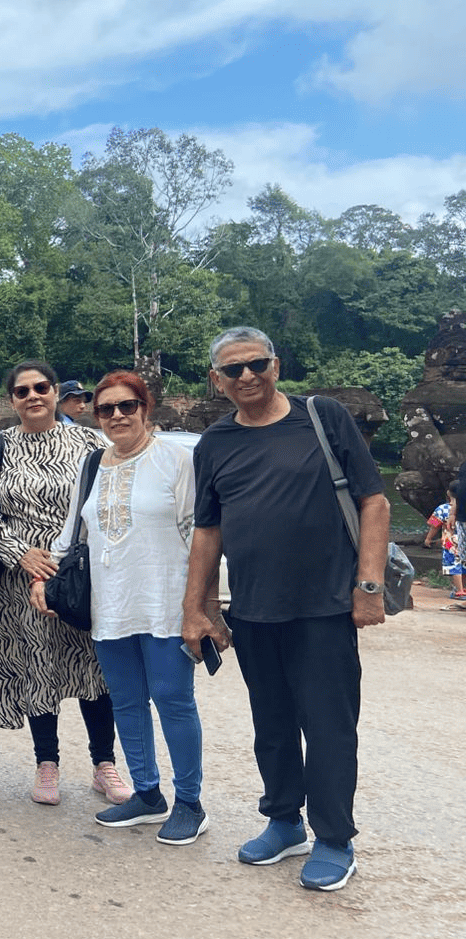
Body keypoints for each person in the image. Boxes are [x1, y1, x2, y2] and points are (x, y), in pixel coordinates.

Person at [182, 328, 388, 891]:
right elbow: (208, 530)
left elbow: (374, 499)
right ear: (216, 380)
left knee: (328, 725)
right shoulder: (215, 444)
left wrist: (368, 585)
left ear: (276, 365)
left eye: (256, 364)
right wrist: (196, 608)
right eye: (233, 370)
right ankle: (282, 819)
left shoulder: (323, 418)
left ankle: (333, 837)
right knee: (270, 725)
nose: (246, 376)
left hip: (323, 607)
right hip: (252, 609)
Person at [32, 371, 208, 845]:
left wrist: (206, 606)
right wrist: (43, 581)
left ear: (145, 409)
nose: (116, 416)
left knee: (173, 700)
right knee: (127, 702)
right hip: (109, 606)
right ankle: (147, 793)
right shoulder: (92, 465)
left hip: (166, 604)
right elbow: (70, 538)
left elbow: (201, 536)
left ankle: (190, 802)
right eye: (106, 409)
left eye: (126, 406)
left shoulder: (177, 459)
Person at [0, 360, 130, 807]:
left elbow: (110, 502)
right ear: (12, 400)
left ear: (57, 392)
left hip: (81, 572)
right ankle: (47, 763)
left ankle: (104, 763)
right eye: (22, 391)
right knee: (40, 668)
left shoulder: (89, 441)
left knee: (93, 668)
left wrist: (71, 553)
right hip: (25, 575)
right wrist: (20, 553)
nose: (33, 396)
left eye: (41, 387)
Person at [424, 483, 463, 600]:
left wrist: (428, 539)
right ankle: (462, 588)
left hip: (450, 542)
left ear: (448, 493)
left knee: (455, 566)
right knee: (463, 564)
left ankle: (459, 590)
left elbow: (434, 525)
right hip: (463, 540)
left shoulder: (443, 509)